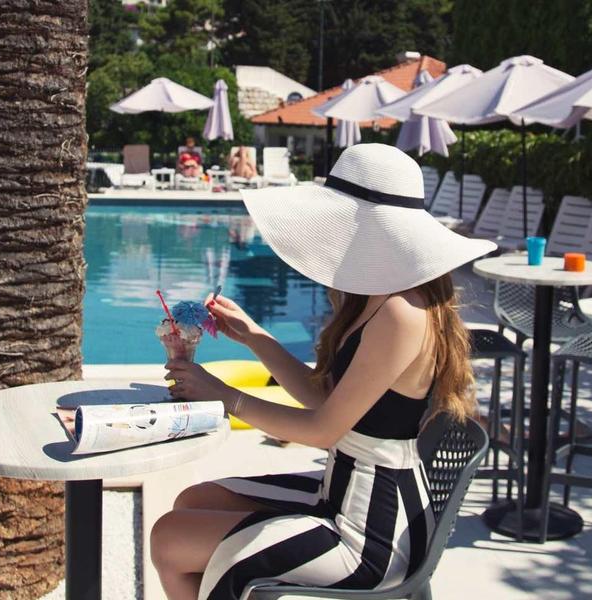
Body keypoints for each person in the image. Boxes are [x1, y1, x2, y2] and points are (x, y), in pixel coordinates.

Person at [150, 144, 497, 600]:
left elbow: (321, 429)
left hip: (371, 533)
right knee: (193, 503)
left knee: (169, 538)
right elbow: (323, 396)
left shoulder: (400, 313)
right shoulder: (377, 295)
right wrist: (255, 336)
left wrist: (224, 395)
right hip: (344, 489)